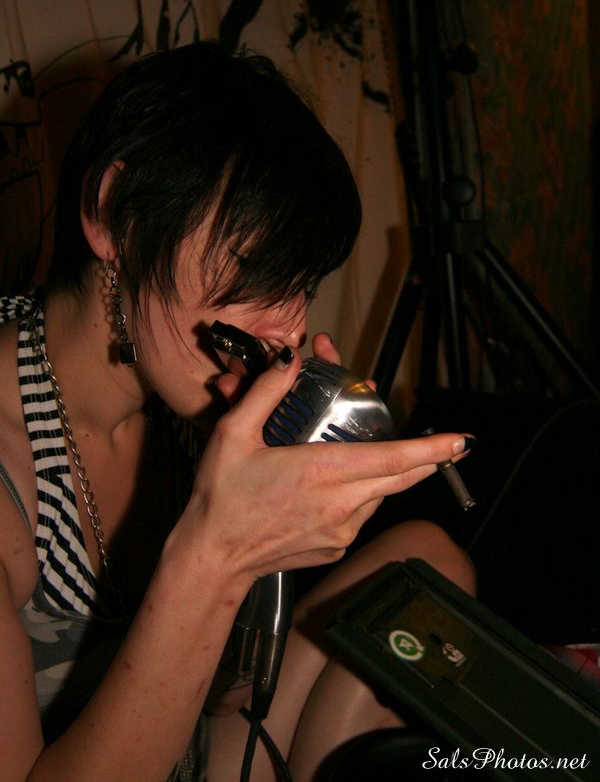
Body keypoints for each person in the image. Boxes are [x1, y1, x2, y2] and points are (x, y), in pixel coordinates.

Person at [0, 41, 475, 781]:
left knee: (427, 564)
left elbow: (230, 697)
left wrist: (269, 546)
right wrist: (219, 552)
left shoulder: (181, 408)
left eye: (302, 285)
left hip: (193, 749)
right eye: (258, 273)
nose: (290, 330)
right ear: (117, 213)